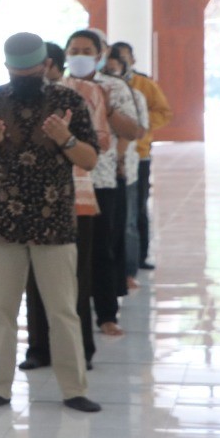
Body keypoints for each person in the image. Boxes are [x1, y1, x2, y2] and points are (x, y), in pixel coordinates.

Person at [0, 32, 100, 413]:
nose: (24, 74)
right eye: (17, 69)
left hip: (54, 224)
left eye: (31, 68)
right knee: (1, 312)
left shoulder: (68, 101)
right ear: (6, 67)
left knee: (62, 311)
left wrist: (65, 138)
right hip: (3, 223)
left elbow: (88, 160)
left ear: (46, 66)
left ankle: (74, 389)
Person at [23, 42, 110, 372]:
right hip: (32, 198)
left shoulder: (85, 92)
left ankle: (80, 349)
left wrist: (65, 135)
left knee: (76, 278)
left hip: (76, 196)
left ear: (47, 64)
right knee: (34, 278)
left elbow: (101, 140)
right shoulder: (18, 98)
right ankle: (38, 348)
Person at [65, 30, 141, 336]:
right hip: (66, 181)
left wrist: (106, 107)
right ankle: (70, 313)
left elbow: (134, 131)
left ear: (99, 56)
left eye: (86, 50)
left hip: (102, 179)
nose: (80, 55)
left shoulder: (115, 86)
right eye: (74, 50)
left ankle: (107, 315)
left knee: (102, 249)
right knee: (67, 253)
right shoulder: (57, 87)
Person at [109, 45, 171, 272]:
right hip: (108, 158)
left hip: (139, 154)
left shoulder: (143, 86)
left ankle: (139, 257)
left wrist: (139, 127)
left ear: (130, 61)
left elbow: (163, 113)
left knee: (137, 208)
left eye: (121, 59)